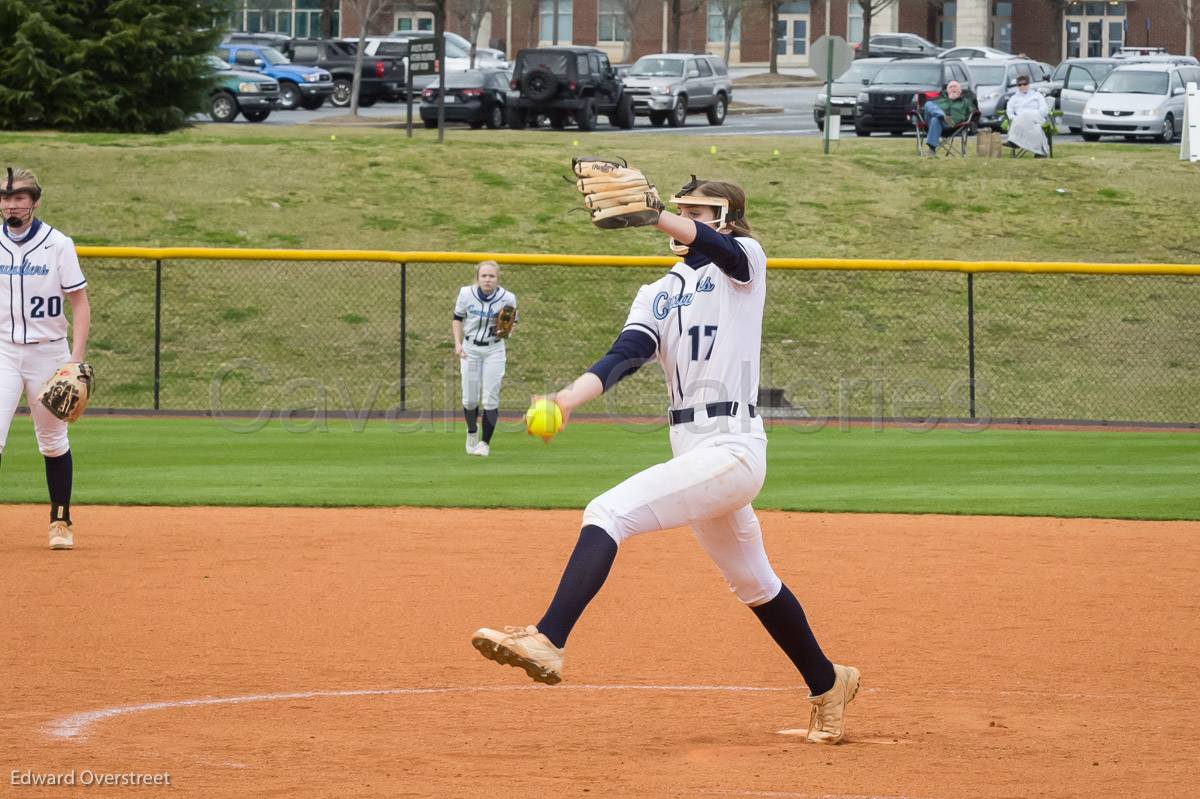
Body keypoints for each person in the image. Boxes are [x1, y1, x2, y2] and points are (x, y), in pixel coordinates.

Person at [471, 175, 861, 745]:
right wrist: (567, 399)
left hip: (733, 445)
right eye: (682, 210)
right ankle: (830, 683)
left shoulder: (744, 264)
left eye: (698, 211)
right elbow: (623, 357)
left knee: (608, 511)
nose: (686, 218)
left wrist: (654, 215)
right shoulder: (655, 292)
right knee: (754, 583)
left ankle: (548, 639)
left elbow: (722, 249)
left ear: (725, 217)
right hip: (692, 449)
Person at [0, 167, 90, 550]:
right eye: (6, 198)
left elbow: (80, 304)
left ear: (34, 202)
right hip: (3, 351)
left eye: (19, 197)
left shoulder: (58, 245)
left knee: (52, 441)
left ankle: (61, 520)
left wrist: (74, 360)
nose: (10, 204)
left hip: (48, 353)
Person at [452, 260, 516, 457]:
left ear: (497, 278)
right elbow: (457, 318)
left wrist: (506, 331)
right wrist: (458, 343)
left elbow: (512, 326)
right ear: (478, 277)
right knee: (470, 399)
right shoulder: (465, 294)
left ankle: (484, 444)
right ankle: (472, 432)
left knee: (491, 398)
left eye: (492, 276)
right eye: (484, 276)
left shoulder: (508, 298)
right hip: (470, 349)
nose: (488, 280)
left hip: (494, 350)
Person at [922, 80, 974, 155]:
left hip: (952, 125)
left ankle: (931, 150)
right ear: (947, 91)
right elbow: (927, 109)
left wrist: (972, 124)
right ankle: (942, 116)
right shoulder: (940, 99)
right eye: (950, 87)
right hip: (932, 123)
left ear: (960, 91)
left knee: (935, 119)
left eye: (955, 86)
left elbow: (973, 112)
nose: (953, 88)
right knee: (928, 104)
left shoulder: (965, 102)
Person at [1004, 75, 1050, 157]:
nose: (1022, 86)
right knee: (1036, 129)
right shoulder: (1014, 98)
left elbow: (1044, 108)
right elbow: (1009, 112)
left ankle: (1014, 141)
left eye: (1025, 84)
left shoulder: (1037, 95)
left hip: (1035, 117)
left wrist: (1037, 114)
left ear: (1029, 84)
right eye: (1020, 85)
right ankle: (1039, 152)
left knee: (1029, 119)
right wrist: (1014, 118)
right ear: (1017, 86)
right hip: (1020, 121)